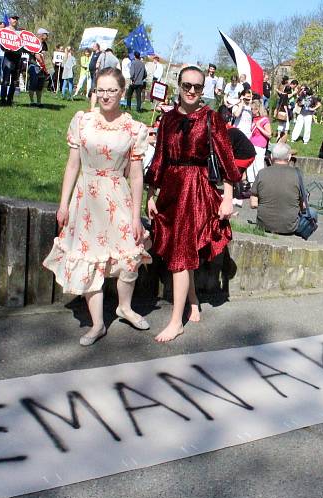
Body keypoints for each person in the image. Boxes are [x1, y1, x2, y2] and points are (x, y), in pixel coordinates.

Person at [43, 67, 152, 346]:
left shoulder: (134, 128)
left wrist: (137, 215)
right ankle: (97, 324)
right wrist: (63, 204)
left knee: (129, 254)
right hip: (87, 199)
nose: (105, 95)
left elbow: (136, 174)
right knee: (89, 258)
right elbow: (72, 164)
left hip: (119, 197)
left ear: (122, 92)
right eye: (100, 89)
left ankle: (124, 307)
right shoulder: (83, 121)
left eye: (111, 90)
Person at [145, 65, 240, 342]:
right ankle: (194, 298)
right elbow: (159, 157)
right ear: (178, 85)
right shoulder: (169, 119)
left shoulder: (211, 118)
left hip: (196, 188)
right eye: (186, 85)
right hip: (172, 188)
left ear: (204, 89)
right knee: (178, 247)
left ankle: (176, 321)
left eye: (197, 87)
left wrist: (228, 196)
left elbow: (225, 158)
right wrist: (151, 194)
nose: (191, 91)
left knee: (182, 252)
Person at [250, 143, 304, 235]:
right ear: (289, 157)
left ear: (271, 156)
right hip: (289, 227)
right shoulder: (297, 174)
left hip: (263, 225)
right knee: (312, 213)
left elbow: (253, 204)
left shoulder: (262, 173)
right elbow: (303, 205)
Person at [0, 15, 22, 106]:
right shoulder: (5, 31)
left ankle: (10, 100)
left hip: (17, 57)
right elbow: (1, 46)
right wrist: (8, 49)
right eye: (13, 18)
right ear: (9, 20)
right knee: (6, 80)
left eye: (16, 18)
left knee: (15, 81)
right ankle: (3, 99)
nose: (15, 20)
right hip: (8, 57)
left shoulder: (20, 32)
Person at [246, 99, 270, 185]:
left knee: (258, 165)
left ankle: (261, 184)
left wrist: (259, 127)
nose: (252, 111)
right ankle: (252, 184)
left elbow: (269, 134)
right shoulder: (254, 119)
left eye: (254, 109)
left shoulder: (264, 120)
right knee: (250, 165)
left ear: (258, 109)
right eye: (252, 109)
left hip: (260, 145)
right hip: (251, 143)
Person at [26, 28, 49, 107]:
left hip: (42, 67)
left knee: (40, 85)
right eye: (46, 34)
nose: (47, 36)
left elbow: (45, 55)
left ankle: (39, 102)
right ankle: (32, 102)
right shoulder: (33, 43)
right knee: (33, 84)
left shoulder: (45, 44)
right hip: (34, 65)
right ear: (41, 35)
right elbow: (35, 54)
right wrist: (40, 60)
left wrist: (46, 65)